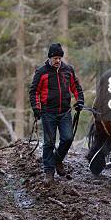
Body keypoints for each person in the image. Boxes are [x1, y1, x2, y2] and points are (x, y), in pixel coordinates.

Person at [29, 43, 84, 184]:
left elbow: (76, 87)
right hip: (48, 112)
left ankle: (58, 159)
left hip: (65, 112)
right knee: (49, 142)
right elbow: (34, 91)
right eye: (55, 58)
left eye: (59, 58)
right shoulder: (41, 72)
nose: (57, 60)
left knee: (67, 138)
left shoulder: (68, 70)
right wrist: (36, 108)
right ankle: (49, 172)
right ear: (50, 58)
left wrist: (80, 101)